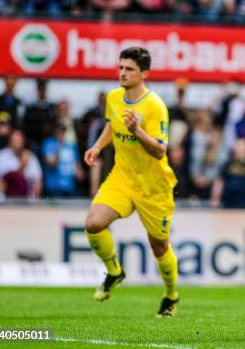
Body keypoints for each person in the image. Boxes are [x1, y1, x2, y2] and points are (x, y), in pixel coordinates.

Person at [83, 47, 180, 317]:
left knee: (159, 245)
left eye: (129, 69)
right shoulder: (114, 98)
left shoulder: (155, 106)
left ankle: (171, 294)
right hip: (122, 178)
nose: (123, 73)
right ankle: (114, 271)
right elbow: (111, 125)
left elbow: (160, 150)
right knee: (93, 223)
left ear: (144, 74)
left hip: (153, 185)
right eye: (121, 67)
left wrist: (137, 130)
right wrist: (98, 146)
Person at [0, 130, 42, 199]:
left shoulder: (31, 157)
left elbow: (38, 181)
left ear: (24, 141)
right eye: (15, 140)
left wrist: (34, 203)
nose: (17, 143)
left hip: (26, 204)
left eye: (19, 140)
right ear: (10, 141)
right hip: (2, 204)